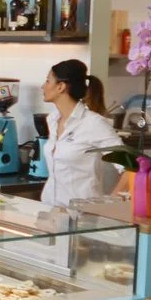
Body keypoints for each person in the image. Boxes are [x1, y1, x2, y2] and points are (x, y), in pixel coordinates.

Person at [38, 59, 122, 208]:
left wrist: (111, 203)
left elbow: (131, 168)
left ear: (61, 87)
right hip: (49, 210)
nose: (43, 86)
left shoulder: (94, 124)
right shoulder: (52, 119)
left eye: (48, 81)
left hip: (82, 215)